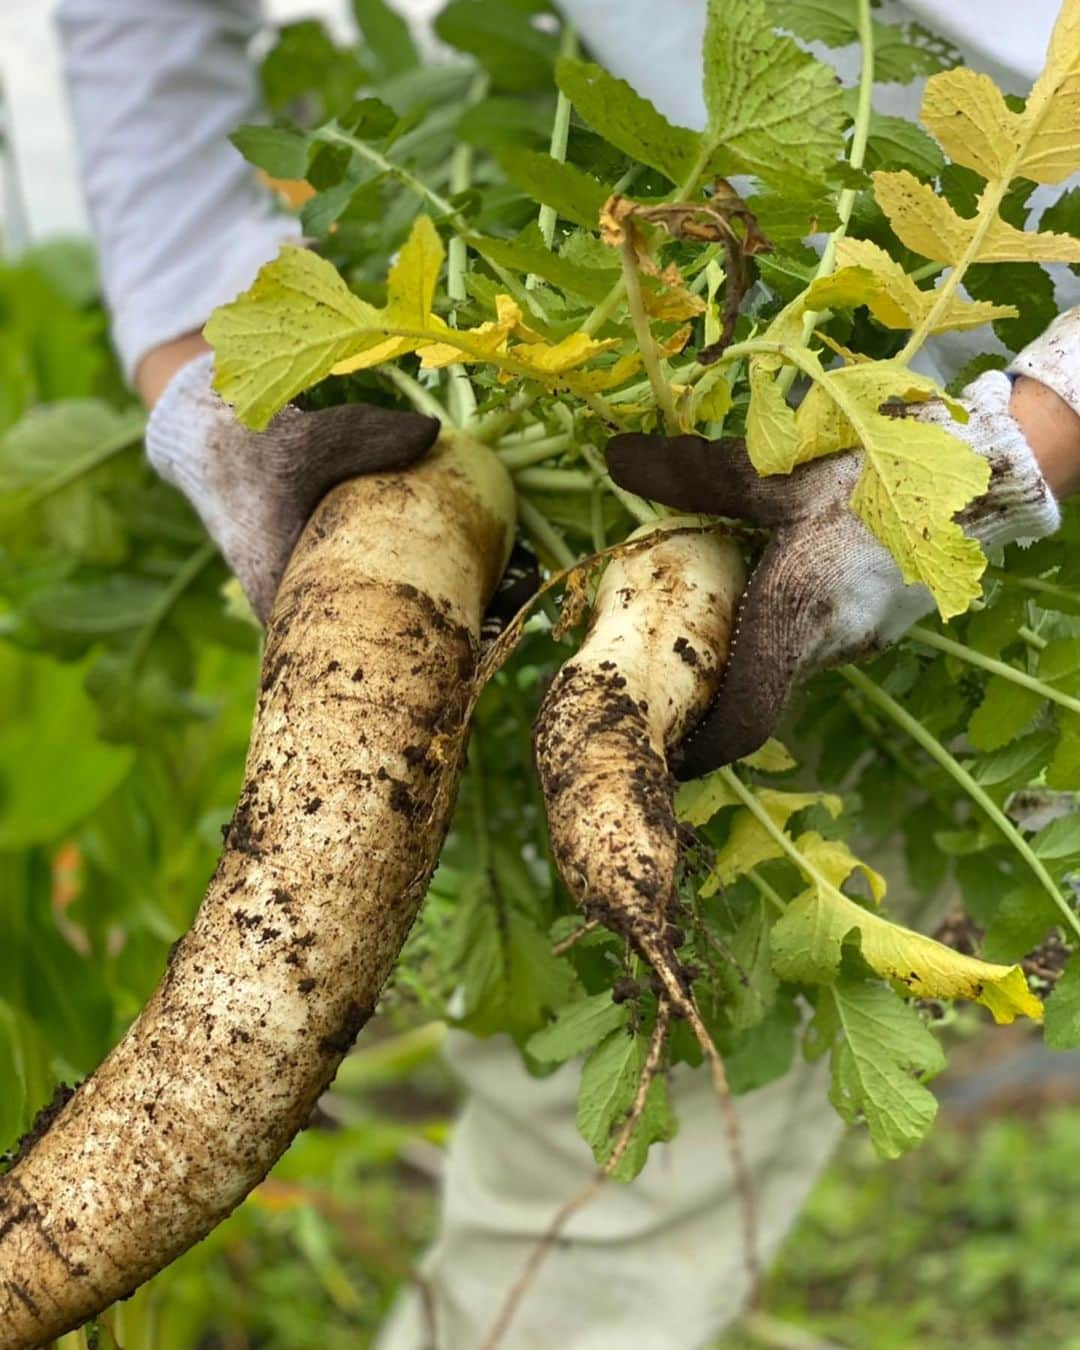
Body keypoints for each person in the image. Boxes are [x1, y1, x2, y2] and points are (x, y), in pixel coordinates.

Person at [54, 1, 1080, 1345]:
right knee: (598, 1190)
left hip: (986, 447)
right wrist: (202, 361)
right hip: (731, 419)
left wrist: (1005, 454)